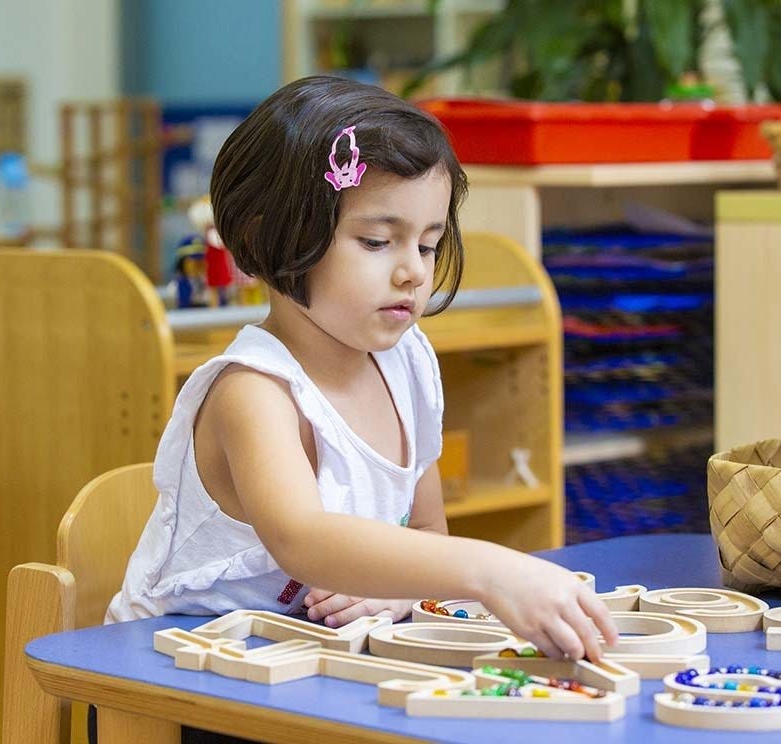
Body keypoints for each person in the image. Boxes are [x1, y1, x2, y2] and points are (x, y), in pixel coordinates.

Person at [106, 75, 618, 663]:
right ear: (266, 238)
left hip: (300, 666)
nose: (413, 273)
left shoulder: (409, 363)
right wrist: (493, 571)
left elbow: (423, 535)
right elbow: (304, 540)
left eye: (427, 245)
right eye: (377, 241)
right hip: (161, 680)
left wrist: (392, 596)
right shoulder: (254, 391)